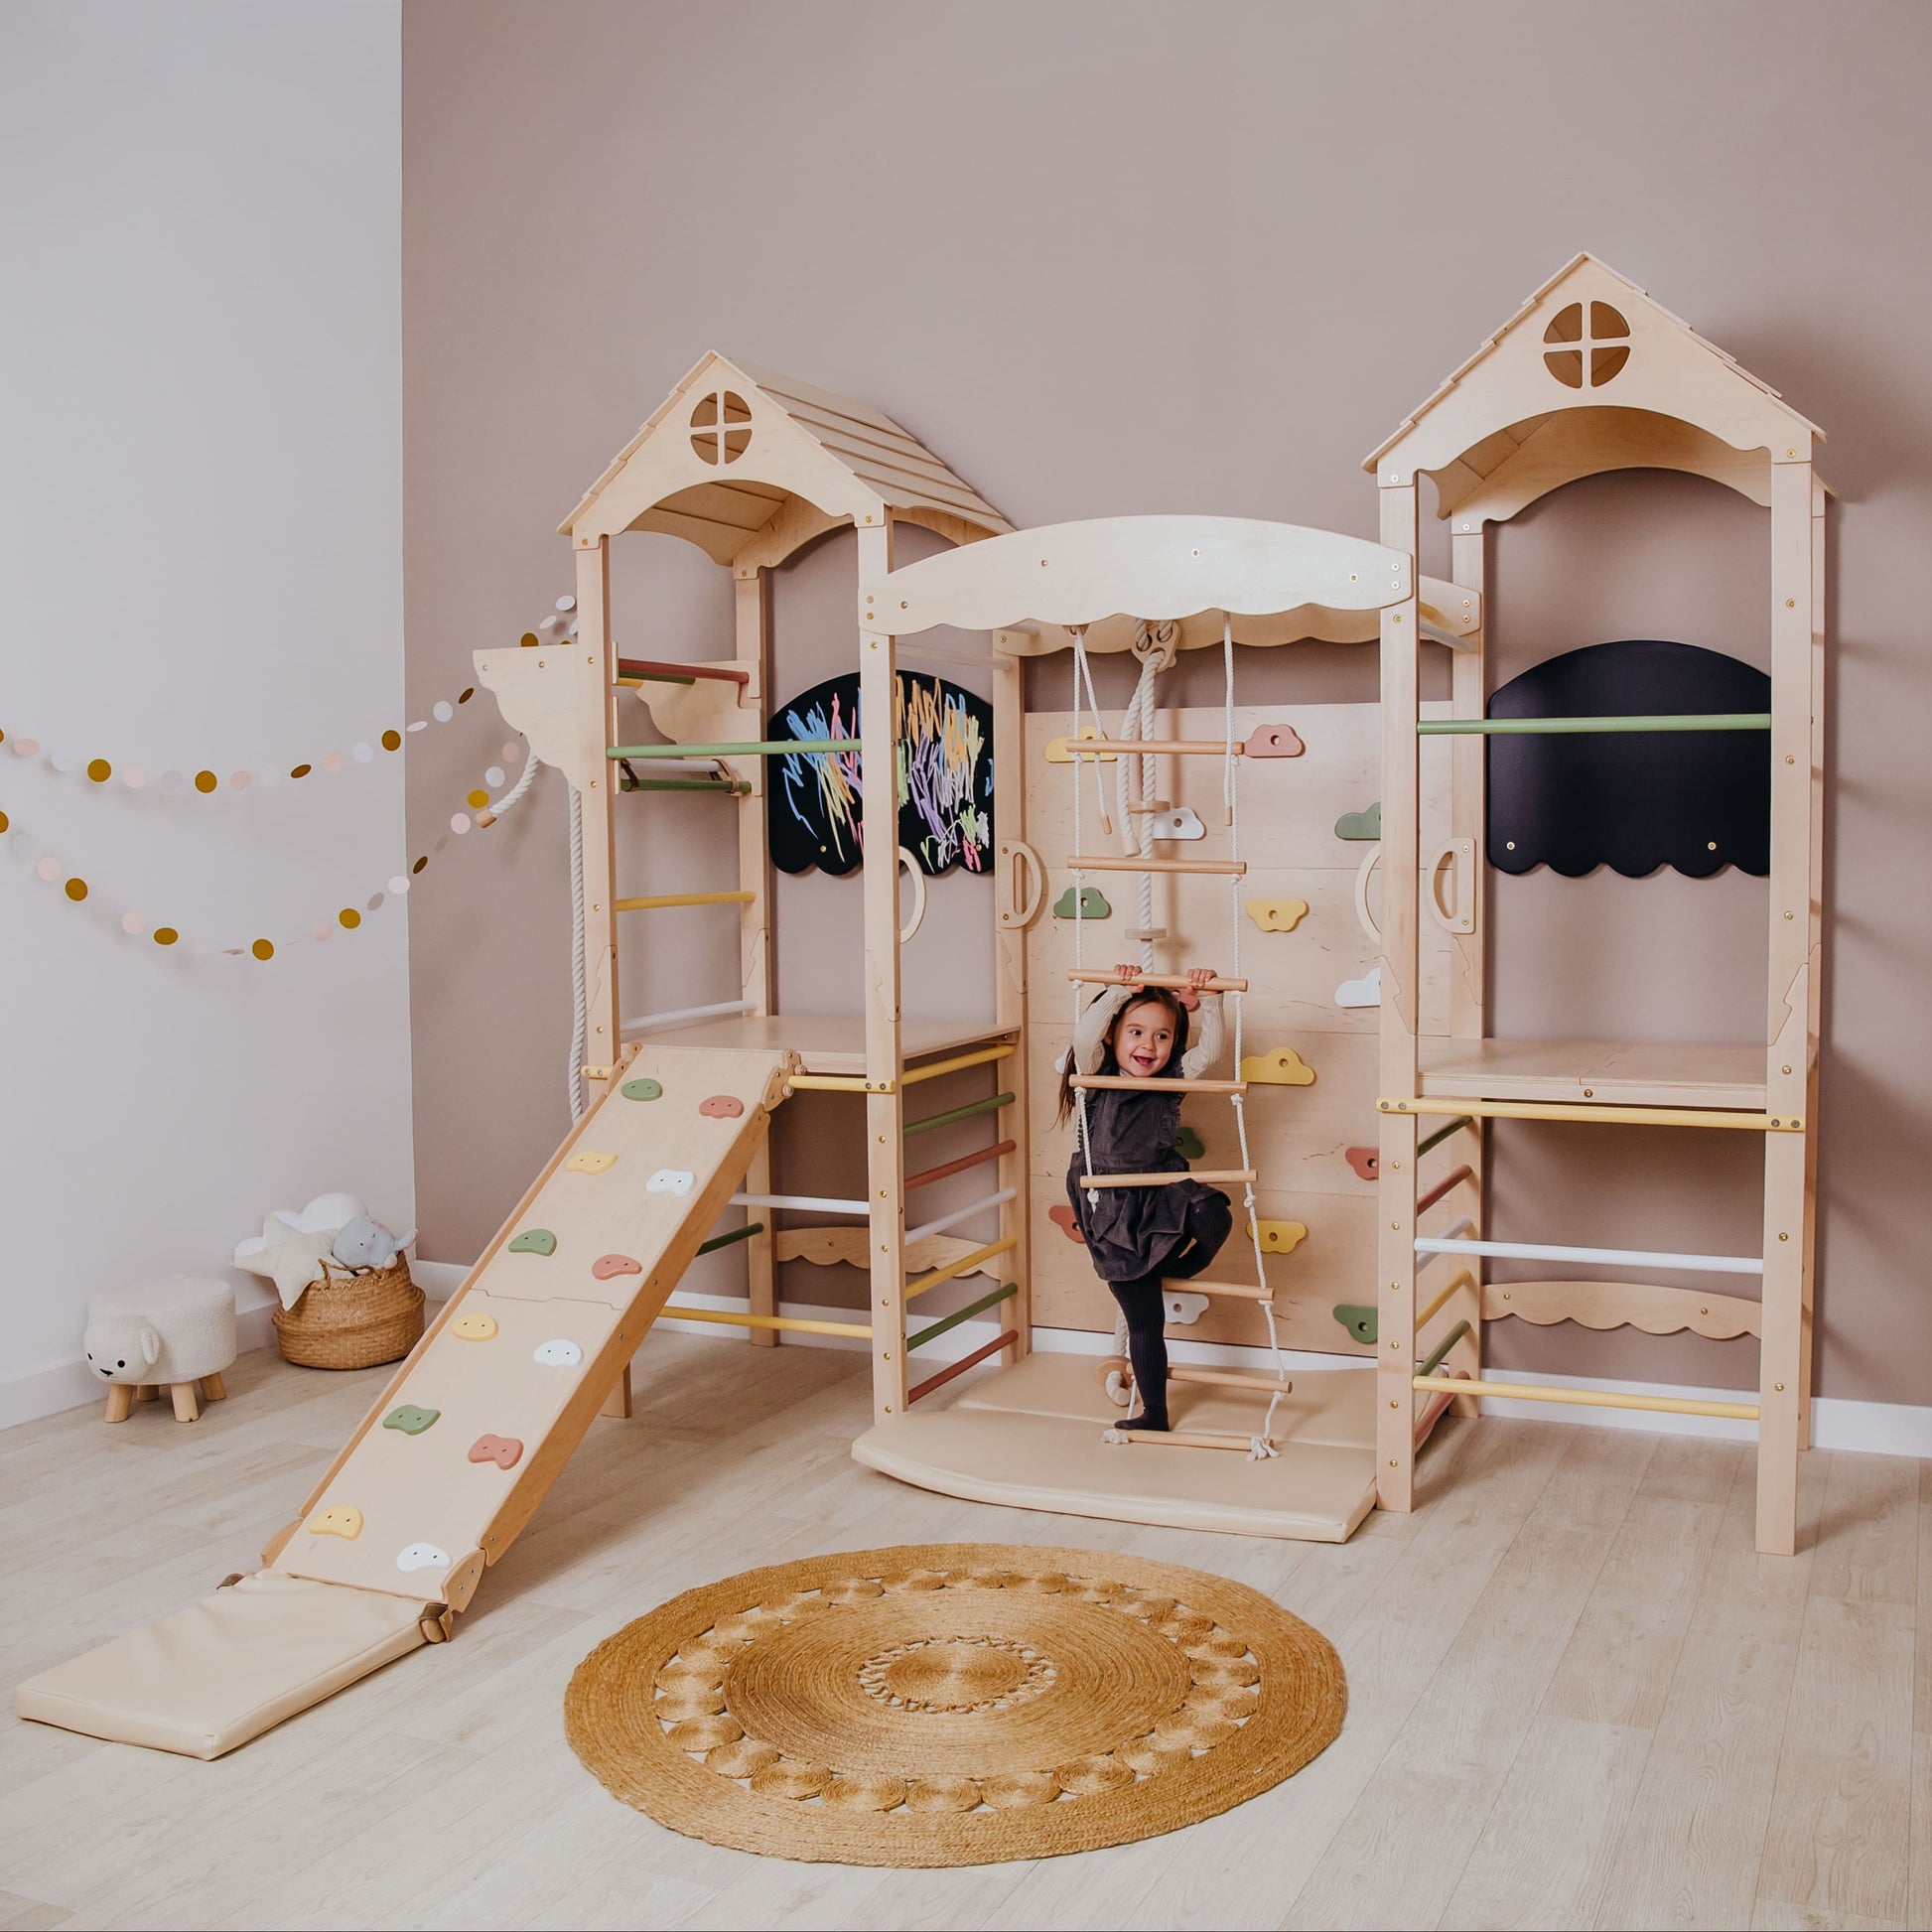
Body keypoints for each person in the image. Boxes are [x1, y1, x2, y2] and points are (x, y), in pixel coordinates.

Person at [1058, 964, 1232, 1432]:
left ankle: (1180, 1267)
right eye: (1135, 1032)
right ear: (1113, 1035)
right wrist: (1119, 991)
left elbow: (1211, 1054)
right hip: (1109, 1204)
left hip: (1160, 1188)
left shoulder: (1172, 1076)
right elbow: (1084, 1034)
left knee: (1214, 1214)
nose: (1148, 1046)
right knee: (1145, 1321)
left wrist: (1209, 1001)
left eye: (1162, 1036)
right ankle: (1155, 1412)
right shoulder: (1095, 1072)